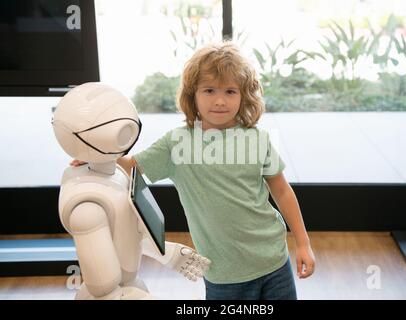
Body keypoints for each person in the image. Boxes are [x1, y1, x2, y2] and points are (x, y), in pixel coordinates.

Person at [72, 41, 315, 300]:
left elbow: (281, 191)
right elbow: (133, 166)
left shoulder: (258, 139)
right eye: (209, 90)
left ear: (244, 95)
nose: (220, 100)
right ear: (193, 95)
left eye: (230, 91)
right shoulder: (178, 143)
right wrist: (98, 157)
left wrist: (303, 243)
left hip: (274, 261)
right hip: (224, 275)